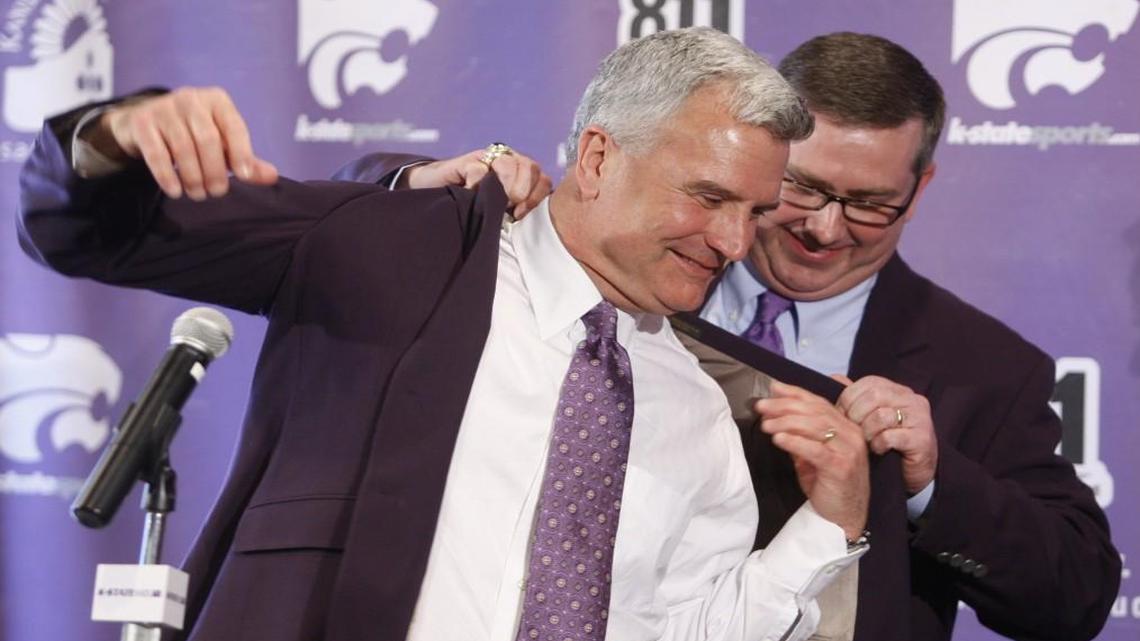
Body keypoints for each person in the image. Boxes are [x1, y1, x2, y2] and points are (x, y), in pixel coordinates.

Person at [19, 28, 872, 641]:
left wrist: (827, 527)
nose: (732, 243)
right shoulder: (397, 247)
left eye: (756, 212)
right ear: (603, 157)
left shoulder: (695, 405)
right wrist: (109, 139)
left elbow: (684, 626)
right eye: (710, 197)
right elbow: (85, 232)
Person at [689, 32, 1118, 641]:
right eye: (802, 186)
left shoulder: (984, 366)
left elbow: (1075, 596)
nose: (824, 227)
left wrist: (933, 483)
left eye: (869, 203)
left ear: (919, 189)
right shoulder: (651, 284)